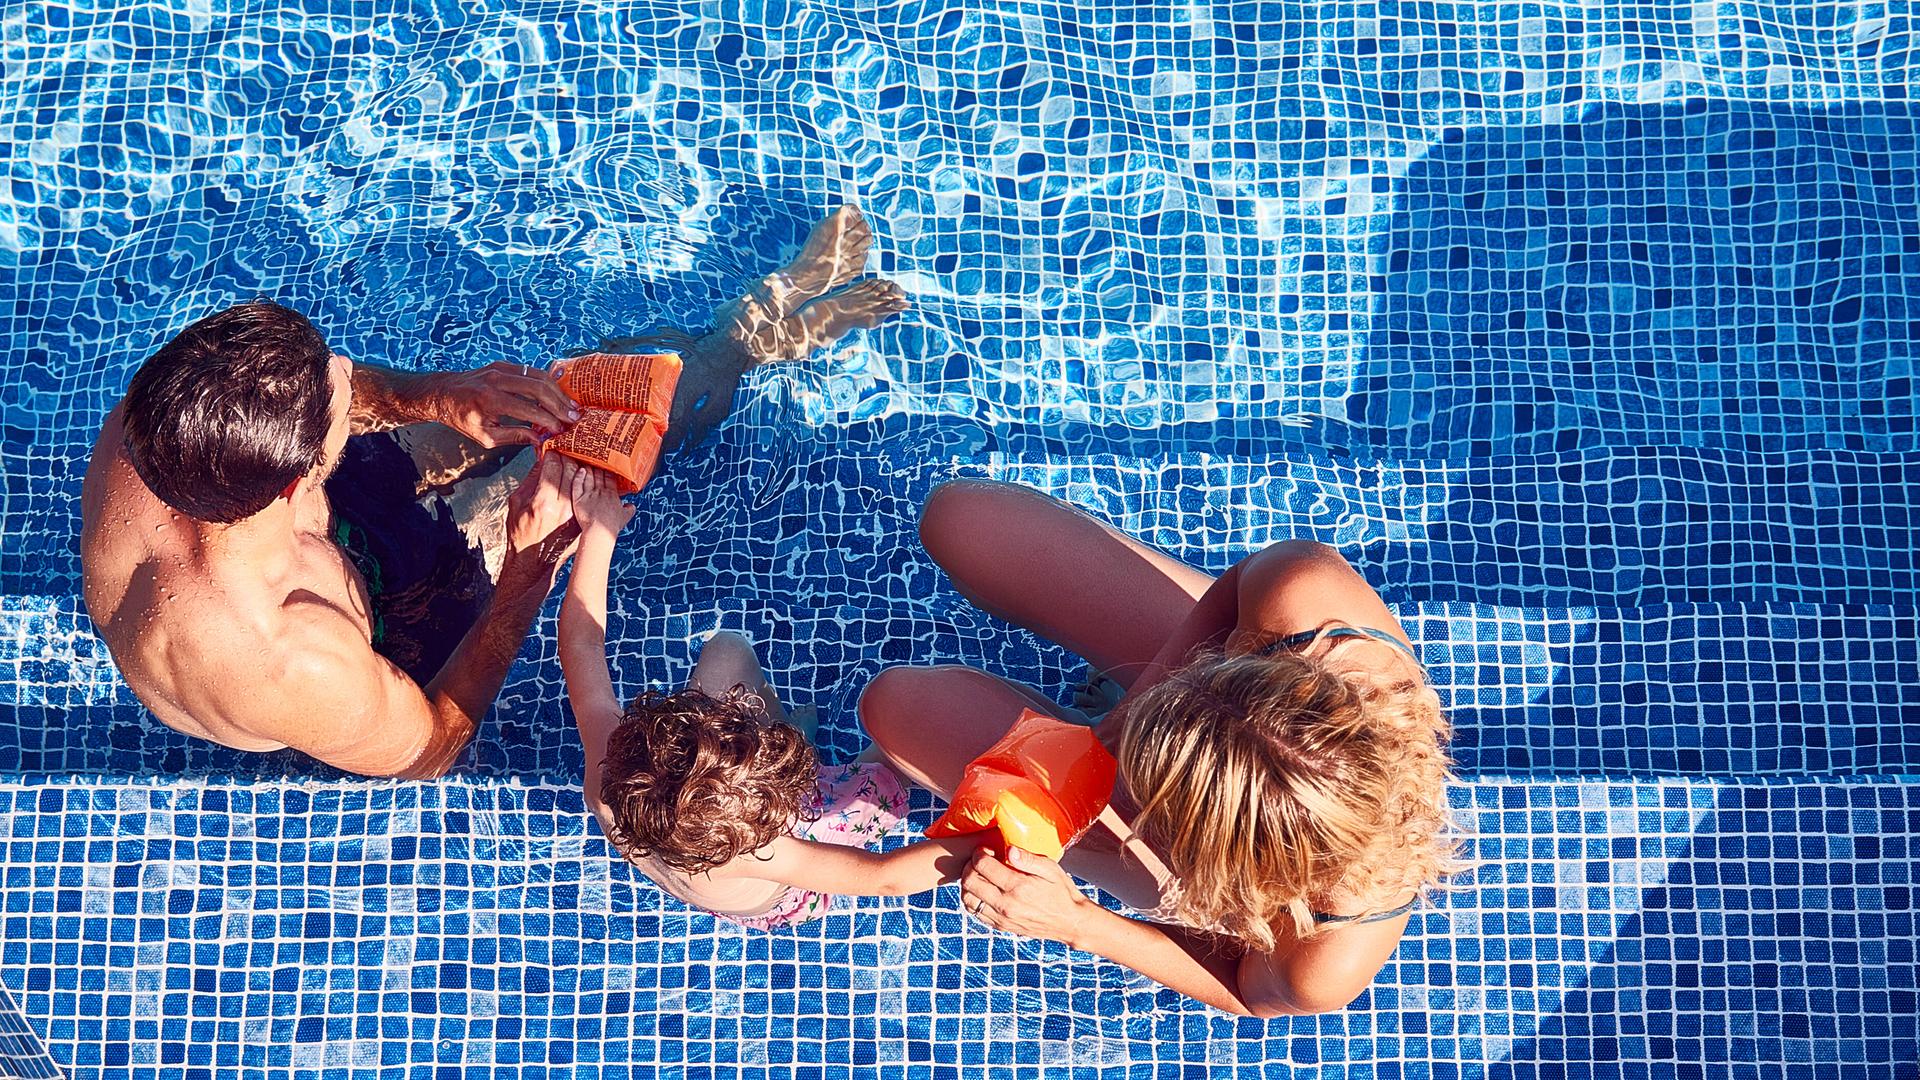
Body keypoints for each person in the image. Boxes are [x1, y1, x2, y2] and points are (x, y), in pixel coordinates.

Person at [80, 205, 905, 777]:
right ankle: (748, 344)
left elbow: (333, 391)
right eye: (334, 395)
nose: (346, 376)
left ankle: (744, 324)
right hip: (387, 627)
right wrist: (528, 571)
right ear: (303, 470)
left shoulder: (164, 422)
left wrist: (439, 398)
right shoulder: (295, 664)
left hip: (300, 535)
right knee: (611, 448)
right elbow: (431, 747)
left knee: (577, 396)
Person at [858, 479, 1462, 1015]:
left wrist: (1077, 923)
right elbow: (1240, 585)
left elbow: (1247, 992)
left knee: (895, 709)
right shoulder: (1306, 606)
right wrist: (1121, 723)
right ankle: (1112, 712)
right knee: (961, 518)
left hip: (1207, 847)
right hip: (1225, 734)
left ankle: (1108, 750)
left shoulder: (1328, 957)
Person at [558, 466, 978, 927]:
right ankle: (825, 758)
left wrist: (599, 531)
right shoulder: (763, 850)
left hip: (699, 849)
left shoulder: (610, 772)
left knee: (726, 652)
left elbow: (580, 642)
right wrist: (987, 845)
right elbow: (885, 878)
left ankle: (798, 735)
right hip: (789, 894)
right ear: (769, 813)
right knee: (900, 745)